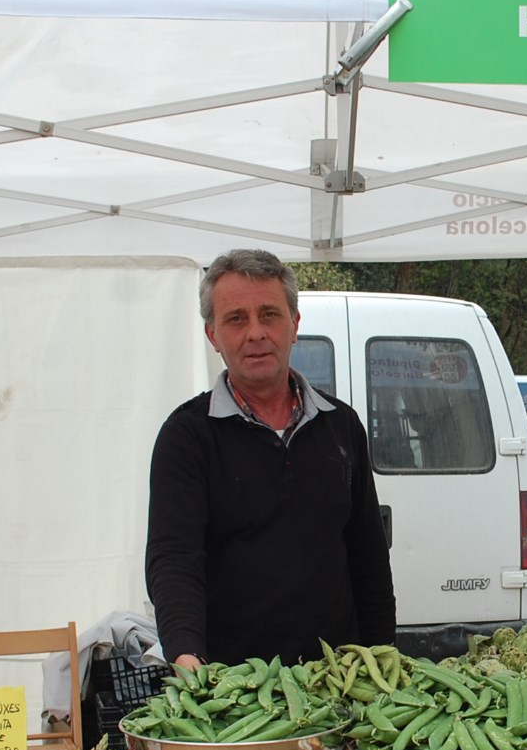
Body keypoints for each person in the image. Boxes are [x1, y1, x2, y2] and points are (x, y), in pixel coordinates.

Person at [145, 249, 396, 671]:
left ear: (294, 325)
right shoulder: (186, 436)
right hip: (233, 687)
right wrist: (185, 652)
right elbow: (173, 558)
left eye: (269, 315)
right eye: (236, 319)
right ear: (212, 335)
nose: (256, 333)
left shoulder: (342, 426)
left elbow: (367, 556)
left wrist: (382, 658)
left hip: (337, 682)